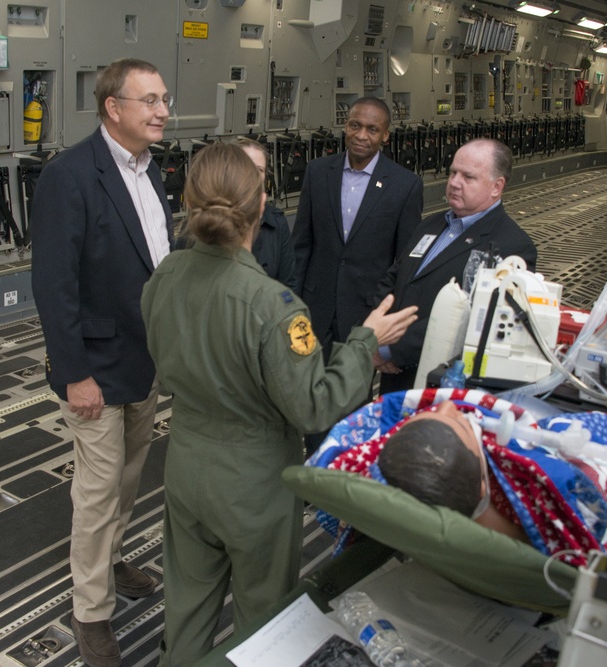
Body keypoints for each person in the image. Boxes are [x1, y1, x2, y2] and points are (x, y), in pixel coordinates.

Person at [141, 142, 418, 666]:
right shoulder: (272, 304)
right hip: (254, 482)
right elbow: (314, 407)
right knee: (264, 619)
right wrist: (365, 340)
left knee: (185, 611)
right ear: (261, 205)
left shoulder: (164, 278)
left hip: (185, 466)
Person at [30, 58, 174, 667]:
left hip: (145, 361)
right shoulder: (69, 176)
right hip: (94, 367)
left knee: (129, 476)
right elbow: (53, 285)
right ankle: (91, 612)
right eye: (149, 100)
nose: (162, 110)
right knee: (96, 492)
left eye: (164, 99)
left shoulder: (153, 171)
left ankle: (112, 558)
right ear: (114, 108)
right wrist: (75, 374)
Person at [308, 389, 607, 566]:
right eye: (467, 425)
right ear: (482, 483)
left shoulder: (454, 490)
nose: (450, 404)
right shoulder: (540, 501)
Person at [373, 138, 537, 393]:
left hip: (442, 382)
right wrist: (373, 336)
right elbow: (396, 277)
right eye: (453, 172)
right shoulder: (432, 224)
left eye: (468, 177)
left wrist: (392, 350)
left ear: (497, 187)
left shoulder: (512, 247)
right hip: (392, 375)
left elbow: (473, 317)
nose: (454, 183)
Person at [292, 97, 424, 351]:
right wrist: (292, 305)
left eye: (372, 129)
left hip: (364, 314)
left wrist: (386, 320)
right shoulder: (317, 172)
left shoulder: (404, 186)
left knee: (354, 389)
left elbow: (403, 263)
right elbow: (301, 245)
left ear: (385, 135)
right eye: (355, 125)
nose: (361, 135)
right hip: (313, 309)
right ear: (345, 126)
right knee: (303, 386)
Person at [236, 138, 298, 291]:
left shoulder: (276, 223)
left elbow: (288, 283)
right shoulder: (207, 221)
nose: (253, 174)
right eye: (246, 165)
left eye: (259, 169)